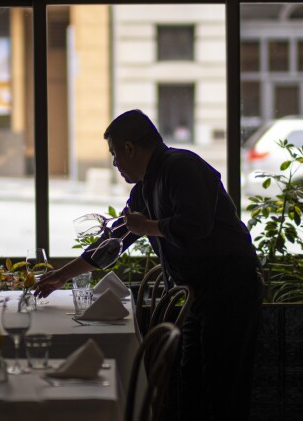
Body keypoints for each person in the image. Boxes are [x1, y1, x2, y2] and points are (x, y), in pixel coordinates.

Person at [34, 109, 263, 420]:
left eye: (115, 154)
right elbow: (112, 243)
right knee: (191, 385)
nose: (115, 163)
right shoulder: (144, 189)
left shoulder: (182, 167)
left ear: (130, 148)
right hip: (198, 295)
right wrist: (59, 277)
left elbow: (196, 227)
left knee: (223, 389)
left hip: (231, 290)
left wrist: (148, 227)